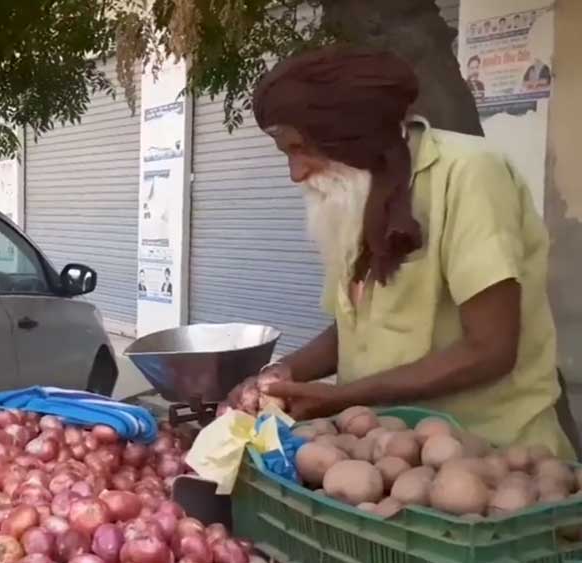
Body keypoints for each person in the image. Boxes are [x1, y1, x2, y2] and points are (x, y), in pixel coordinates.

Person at [238, 45, 574, 459]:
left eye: (301, 149)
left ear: (353, 137)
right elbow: (355, 329)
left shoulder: (470, 175)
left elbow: (491, 349)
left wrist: (343, 396)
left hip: (495, 460)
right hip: (390, 449)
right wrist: (281, 374)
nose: (296, 173)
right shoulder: (356, 193)